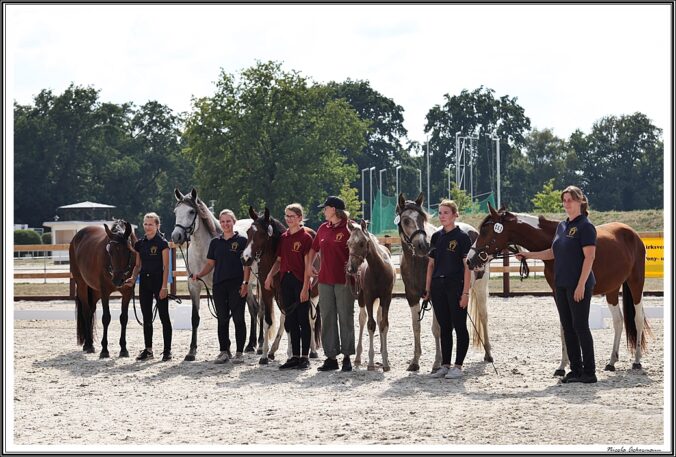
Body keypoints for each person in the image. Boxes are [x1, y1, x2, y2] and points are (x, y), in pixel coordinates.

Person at [516, 185, 597, 383]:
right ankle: (575, 370)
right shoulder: (562, 226)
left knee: (581, 326)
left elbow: (590, 257)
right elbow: (553, 252)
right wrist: (529, 255)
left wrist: (580, 285)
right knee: (567, 327)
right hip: (561, 283)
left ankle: (589, 371)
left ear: (580, 202)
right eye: (565, 200)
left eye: (570, 199)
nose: (566, 203)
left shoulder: (586, 226)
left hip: (578, 285)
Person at [192, 209, 251, 364]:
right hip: (219, 285)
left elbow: (247, 265)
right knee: (222, 319)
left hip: (237, 285)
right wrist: (199, 274)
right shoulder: (215, 242)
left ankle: (239, 352)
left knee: (238, 319)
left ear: (234, 222)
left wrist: (245, 283)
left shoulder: (242, 241)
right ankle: (224, 351)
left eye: (228, 221)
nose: (225, 224)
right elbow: (210, 263)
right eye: (222, 221)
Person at [305, 196, 355, 372]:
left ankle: (347, 357)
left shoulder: (350, 227)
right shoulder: (323, 228)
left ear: (334, 209)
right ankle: (331, 357)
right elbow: (313, 248)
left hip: (344, 280)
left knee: (345, 317)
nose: (323, 211)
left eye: (325, 208)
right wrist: (310, 265)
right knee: (327, 318)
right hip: (325, 280)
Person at [422, 200, 471, 379]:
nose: (442, 216)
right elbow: (431, 264)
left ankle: (458, 366)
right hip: (438, 286)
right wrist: (427, 289)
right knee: (444, 327)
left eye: (446, 213)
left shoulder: (462, 238)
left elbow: (468, 267)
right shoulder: (436, 237)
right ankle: (445, 364)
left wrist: (466, 293)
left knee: (459, 326)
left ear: (455, 215)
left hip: (455, 286)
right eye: (440, 212)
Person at [264, 204, 314, 370]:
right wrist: (270, 275)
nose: (288, 219)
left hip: (300, 280)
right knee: (290, 321)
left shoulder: (306, 237)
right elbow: (279, 261)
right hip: (286, 281)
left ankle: (305, 357)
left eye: (292, 216)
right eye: (286, 215)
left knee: (303, 320)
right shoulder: (284, 238)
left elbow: (308, 265)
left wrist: (306, 287)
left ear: (300, 218)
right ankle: (295, 356)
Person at [127, 212, 172, 362]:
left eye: (151, 224)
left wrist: (164, 287)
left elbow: (166, 267)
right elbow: (138, 265)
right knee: (146, 318)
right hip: (144, 284)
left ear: (157, 225)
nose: (147, 227)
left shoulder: (162, 243)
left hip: (159, 283)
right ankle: (148, 350)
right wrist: (133, 278)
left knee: (164, 317)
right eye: (145, 224)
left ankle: (167, 351)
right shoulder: (140, 244)